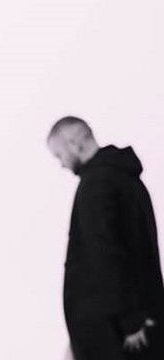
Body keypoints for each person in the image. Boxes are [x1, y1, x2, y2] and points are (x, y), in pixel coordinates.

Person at [47, 116, 164, 360]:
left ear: (74, 143)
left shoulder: (96, 184)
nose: (62, 164)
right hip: (130, 323)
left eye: (59, 155)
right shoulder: (125, 178)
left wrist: (130, 320)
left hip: (118, 334)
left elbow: (106, 254)